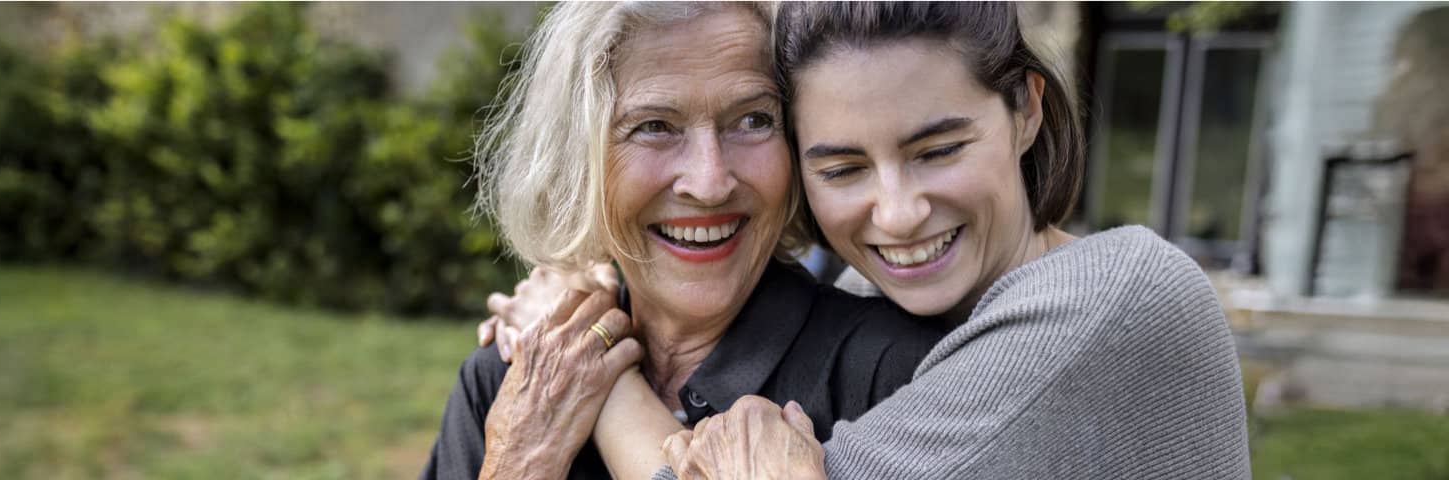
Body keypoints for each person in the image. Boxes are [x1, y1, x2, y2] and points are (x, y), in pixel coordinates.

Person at [480, 3, 1252, 479]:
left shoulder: (1111, 299)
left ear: (1025, 108)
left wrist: (592, 362)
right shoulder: (867, 301)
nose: (898, 213)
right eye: (844, 167)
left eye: (938, 149)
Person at [422, 2, 946, 479]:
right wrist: (518, 463)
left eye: (753, 119)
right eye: (654, 126)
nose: (710, 181)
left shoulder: (898, 374)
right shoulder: (512, 381)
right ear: (577, 159)